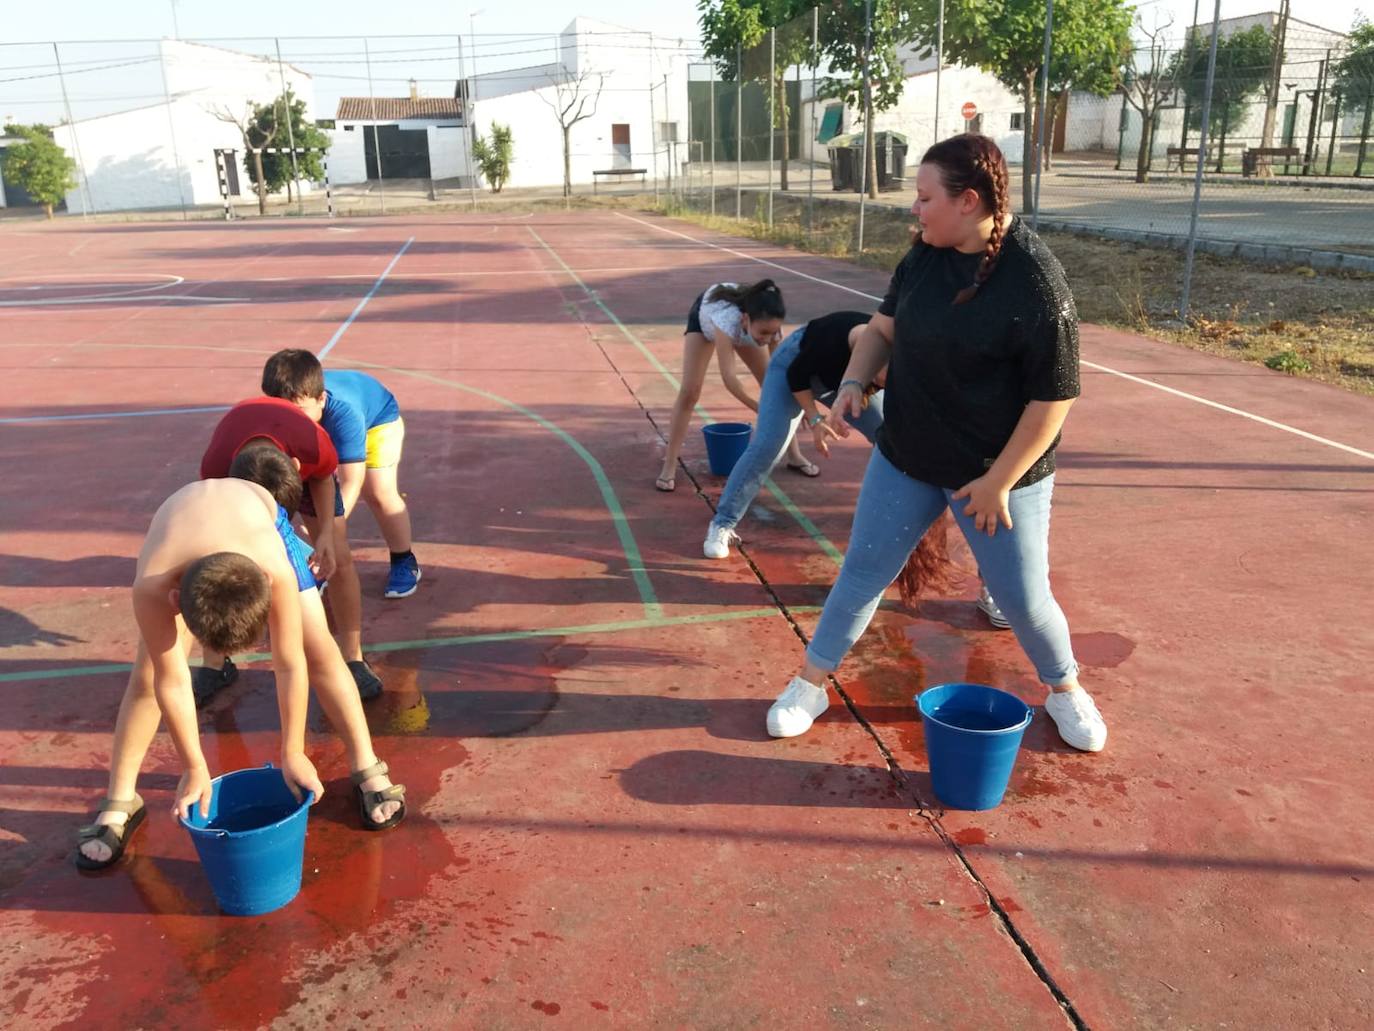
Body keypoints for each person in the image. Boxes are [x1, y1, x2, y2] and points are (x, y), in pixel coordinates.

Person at [763, 133, 1108, 753]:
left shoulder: (1034, 282)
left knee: (1023, 601)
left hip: (995, 474)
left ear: (969, 202)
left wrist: (999, 480)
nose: (914, 210)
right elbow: (881, 330)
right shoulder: (924, 254)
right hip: (911, 454)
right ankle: (810, 684)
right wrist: (851, 381)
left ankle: (1065, 691)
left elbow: (1053, 400)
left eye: (924, 198)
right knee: (862, 574)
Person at [74, 463, 405, 871]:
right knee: (146, 677)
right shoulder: (153, 586)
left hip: (259, 518)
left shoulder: (275, 571)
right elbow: (172, 679)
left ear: (265, 589)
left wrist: (293, 750)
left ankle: (366, 765)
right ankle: (121, 801)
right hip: (182, 530)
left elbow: (289, 663)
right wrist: (194, 766)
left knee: (319, 649)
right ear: (176, 603)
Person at [198, 396, 384, 701]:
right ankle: (215, 664)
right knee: (218, 560)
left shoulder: (312, 444)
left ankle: (353, 657)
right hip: (245, 487)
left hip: (304, 470)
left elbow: (324, 478)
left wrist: (324, 533)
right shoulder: (216, 470)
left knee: (339, 554)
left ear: (296, 468)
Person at [702, 311, 884, 559]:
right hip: (794, 367)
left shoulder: (901, 354)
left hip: (839, 381)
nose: (882, 383)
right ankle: (722, 523)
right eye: (879, 377)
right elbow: (797, 377)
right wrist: (816, 418)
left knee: (889, 436)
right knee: (769, 446)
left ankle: (884, 519)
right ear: (868, 359)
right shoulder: (833, 343)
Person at [260, 350, 421, 600]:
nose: (292, 418)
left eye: (300, 409)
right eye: (283, 410)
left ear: (321, 399)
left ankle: (403, 559)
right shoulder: (281, 414)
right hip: (322, 424)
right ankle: (322, 564)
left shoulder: (345, 415)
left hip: (377, 420)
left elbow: (351, 481)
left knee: (377, 492)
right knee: (311, 498)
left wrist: (329, 527)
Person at [655, 280, 816, 493]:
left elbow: (782, 378)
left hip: (743, 328)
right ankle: (670, 465)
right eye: (764, 333)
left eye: (772, 334)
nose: (767, 340)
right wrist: (761, 409)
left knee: (772, 385)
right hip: (704, 321)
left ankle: (794, 455)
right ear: (746, 319)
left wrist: (802, 404)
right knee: (690, 392)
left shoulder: (770, 327)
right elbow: (729, 379)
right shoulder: (726, 322)